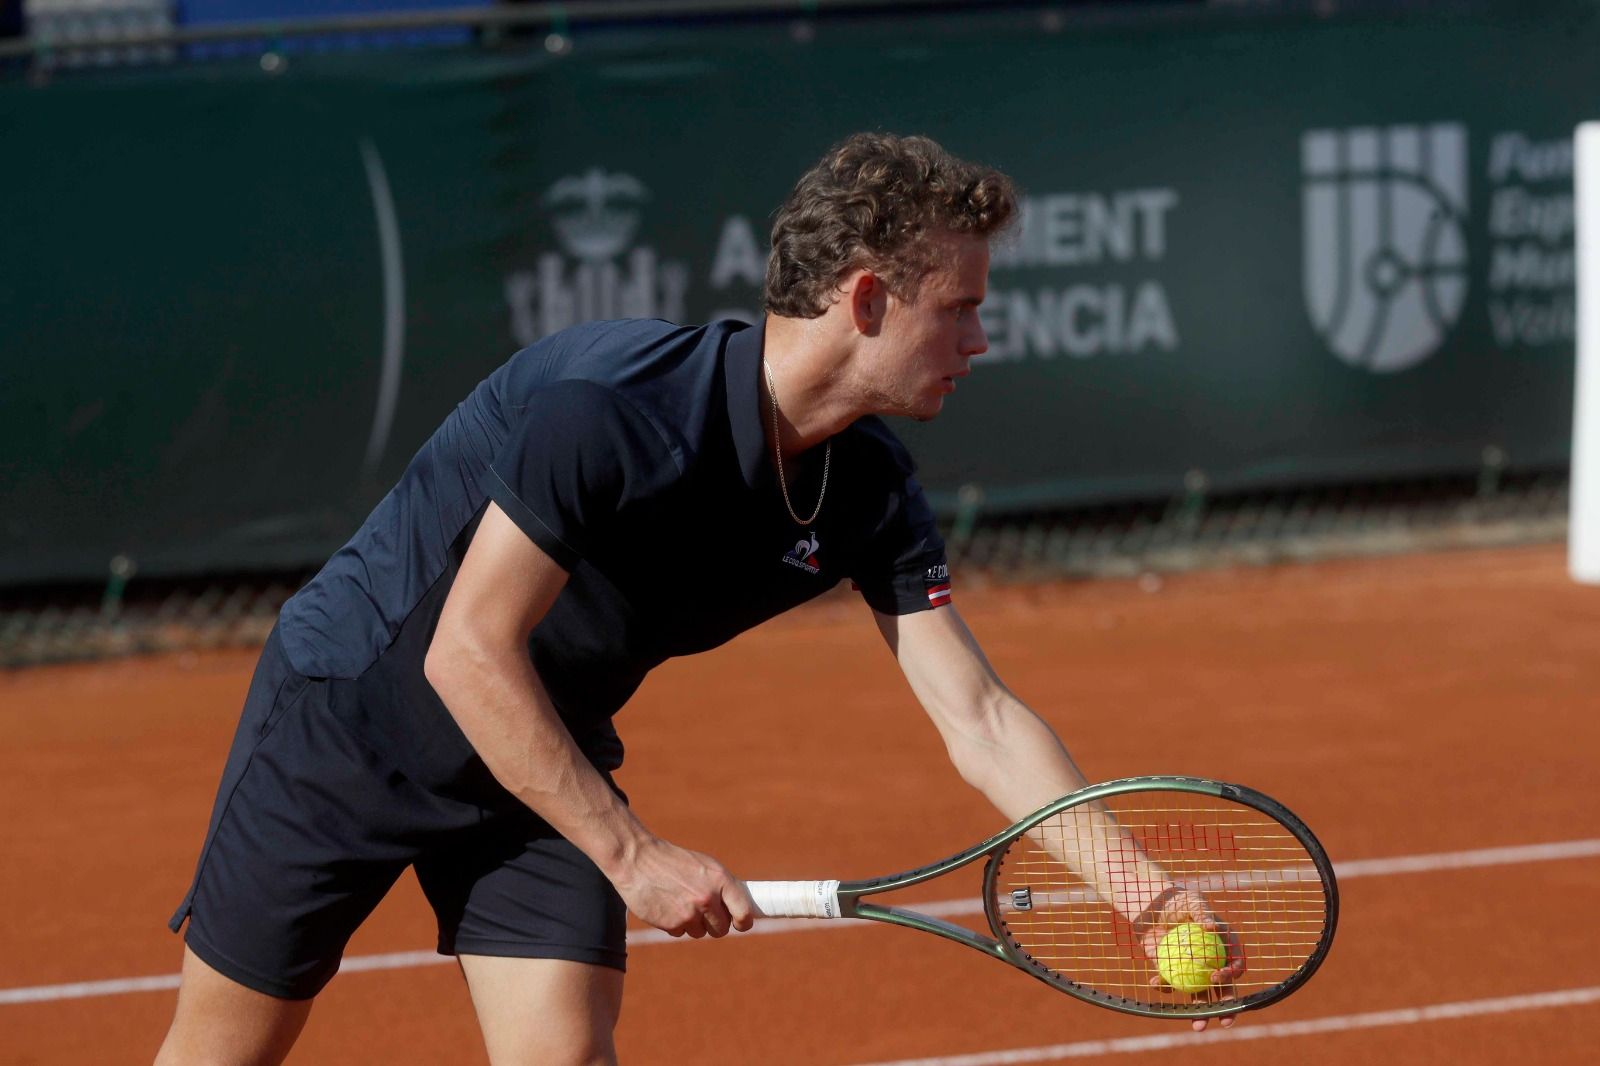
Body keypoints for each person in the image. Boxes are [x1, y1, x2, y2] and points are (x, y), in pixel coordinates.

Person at [155, 132, 1241, 1066]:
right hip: (350, 724)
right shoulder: (614, 412)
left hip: (538, 755)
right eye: (957, 309)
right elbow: (465, 654)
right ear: (866, 297)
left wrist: (1142, 894)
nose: (979, 340)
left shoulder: (869, 486)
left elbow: (982, 717)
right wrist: (631, 855)